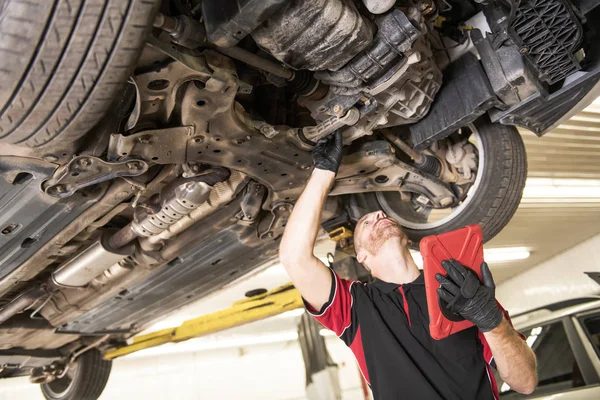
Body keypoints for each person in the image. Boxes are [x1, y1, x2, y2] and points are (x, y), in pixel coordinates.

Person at [279, 132, 537, 400]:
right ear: (362, 257)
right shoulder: (355, 307)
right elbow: (293, 257)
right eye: (366, 223)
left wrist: (490, 320)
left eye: (380, 214)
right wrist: (323, 172)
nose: (379, 214)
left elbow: (525, 382)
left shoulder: (462, 289)